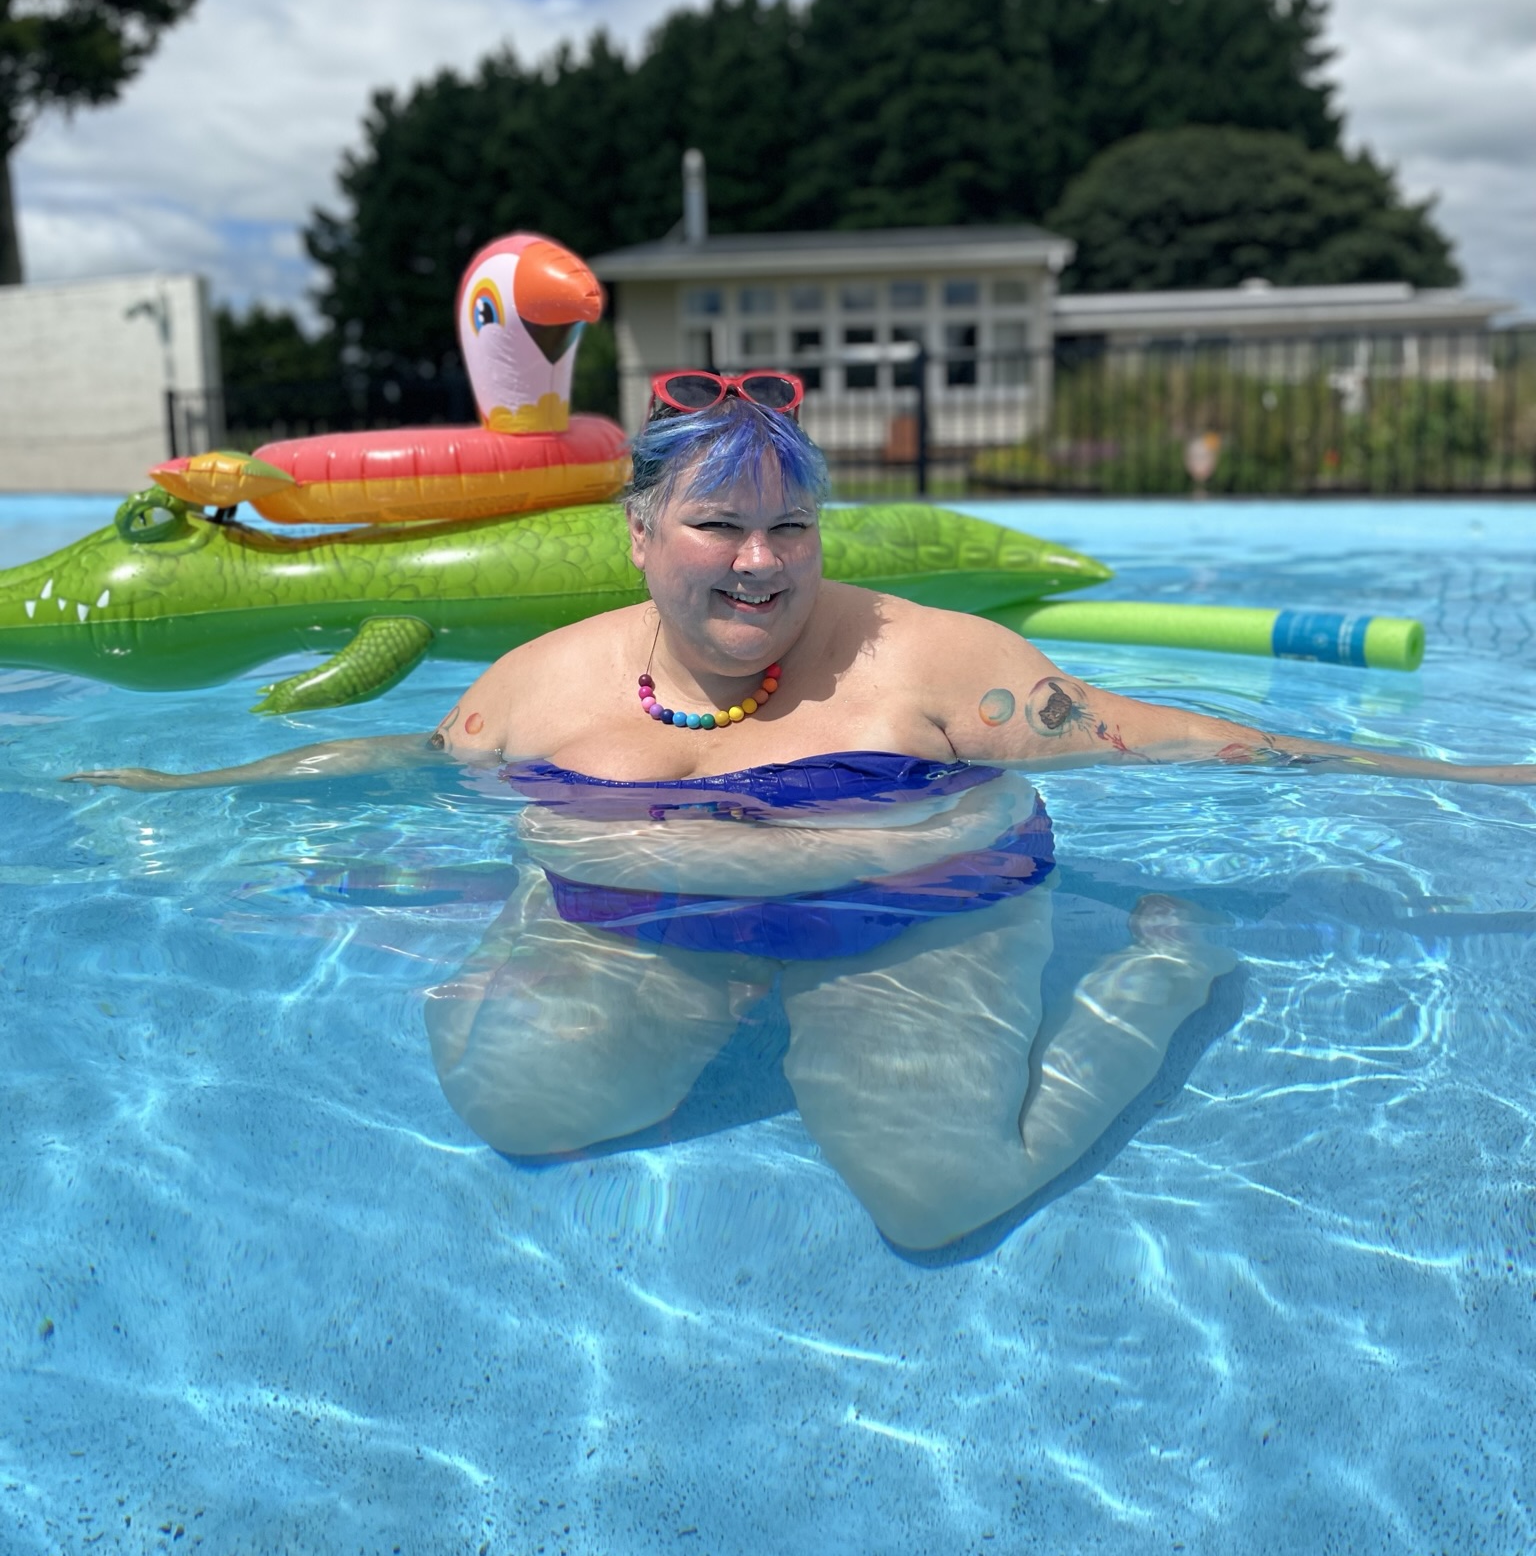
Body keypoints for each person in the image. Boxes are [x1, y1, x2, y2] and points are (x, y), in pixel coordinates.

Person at [76, 370, 1536, 1250]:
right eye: (719, 523)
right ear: (641, 534)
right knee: (522, 1104)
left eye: (792, 525)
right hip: (641, 926)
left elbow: (1172, 738)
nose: (763, 562)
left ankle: (1161, 973)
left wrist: (1459, 778)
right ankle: (646, 980)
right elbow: (408, 762)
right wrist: (187, 790)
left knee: (939, 1195)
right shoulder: (538, 685)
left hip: (906, 929)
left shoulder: (936, 665)